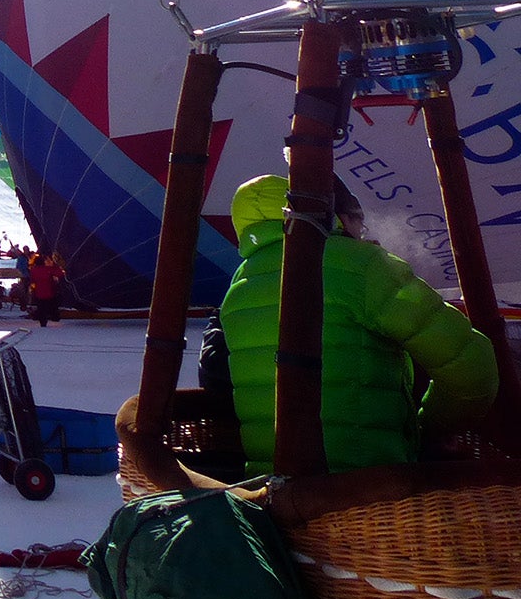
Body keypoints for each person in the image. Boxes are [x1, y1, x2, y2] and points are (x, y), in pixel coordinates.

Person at [209, 173, 496, 474]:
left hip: (272, 498)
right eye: (359, 222)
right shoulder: (361, 264)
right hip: (366, 493)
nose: (362, 232)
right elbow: (473, 367)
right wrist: (430, 428)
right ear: (338, 218)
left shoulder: (238, 287)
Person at [29, 251, 66, 328]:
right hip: (49, 292)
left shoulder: (33, 271)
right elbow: (60, 274)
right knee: (52, 305)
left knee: (41, 308)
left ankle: (43, 322)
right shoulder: (48, 269)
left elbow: (32, 281)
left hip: (39, 293)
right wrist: (56, 266)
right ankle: (54, 316)